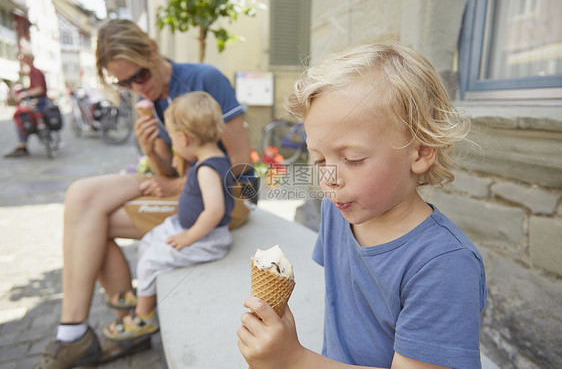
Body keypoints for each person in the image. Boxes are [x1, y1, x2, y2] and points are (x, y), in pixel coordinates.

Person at [237, 42, 487, 368]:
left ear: (422, 152)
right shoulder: (337, 211)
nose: (329, 178)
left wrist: (293, 359)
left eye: (352, 159)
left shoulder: (445, 265)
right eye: (319, 157)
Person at [34, 19, 252, 368]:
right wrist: (151, 151)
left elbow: (240, 164)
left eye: (140, 76)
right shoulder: (153, 102)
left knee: (94, 223)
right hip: (189, 189)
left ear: (152, 51)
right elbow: (169, 172)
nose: (137, 87)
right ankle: (80, 328)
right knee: (81, 195)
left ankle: (113, 327)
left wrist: (175, 186)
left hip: (224, 199)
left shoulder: (202, 79)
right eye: (124, 83)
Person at [103, 91, 235, 341]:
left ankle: (143, 316)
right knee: (149, 239)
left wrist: (188, 237)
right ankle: (143, 289)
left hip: (206, 238)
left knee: (152, 259)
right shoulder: (213, 159)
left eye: (173, 139)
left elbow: (215, 210)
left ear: (183, 138)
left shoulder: (208, 169)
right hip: (189, 227)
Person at [4, 52, 47, 157]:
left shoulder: (35, 72)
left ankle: (22, 146)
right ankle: (22, 145)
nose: (21, 61)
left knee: (20, 115)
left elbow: (39, 89)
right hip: (37, 101)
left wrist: (23, 94)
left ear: (29, 59)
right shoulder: (31, 73)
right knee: (21, 114)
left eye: (23, 59)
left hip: (39, 102)